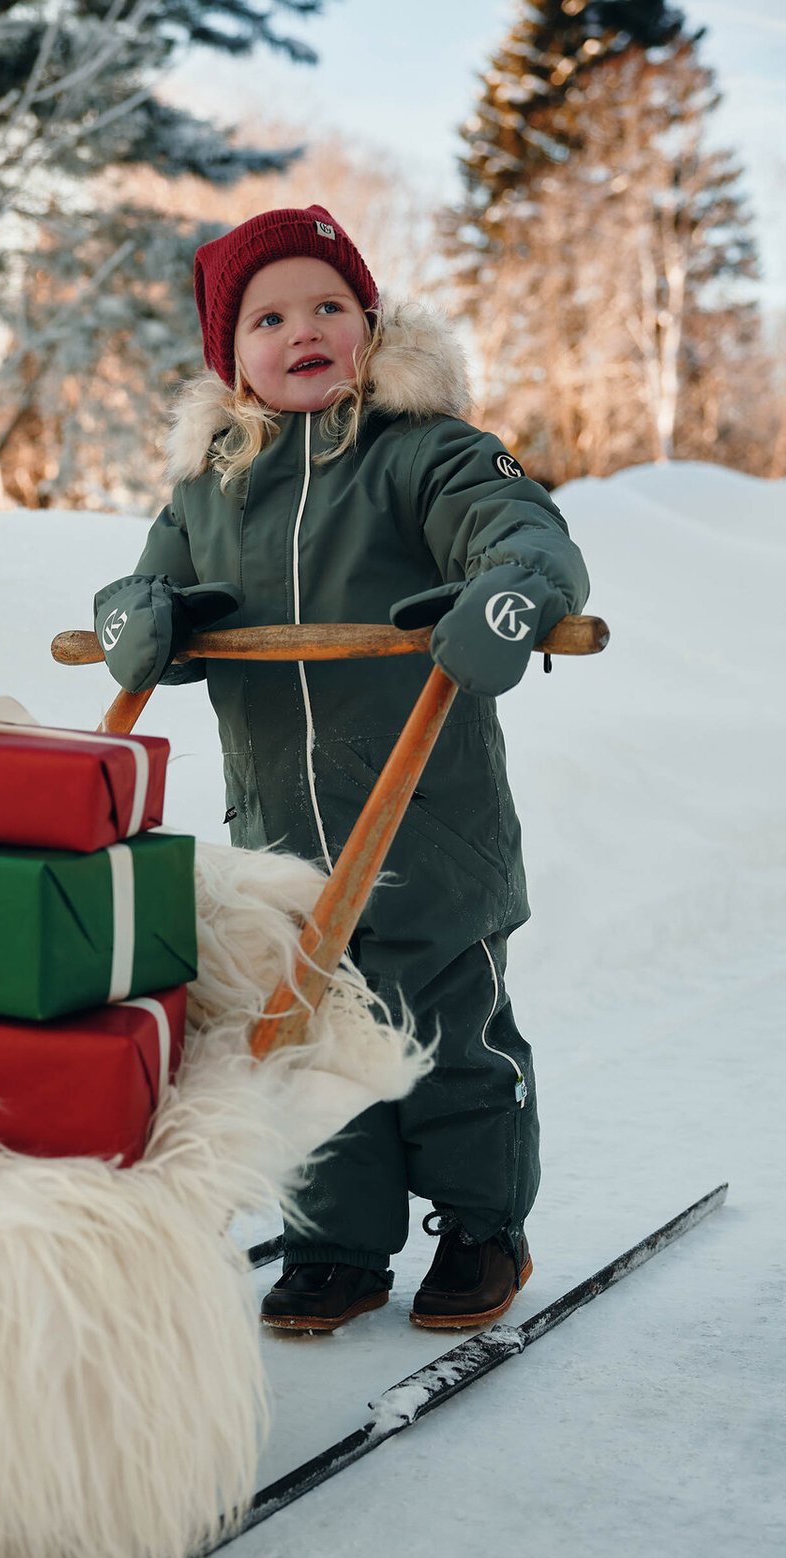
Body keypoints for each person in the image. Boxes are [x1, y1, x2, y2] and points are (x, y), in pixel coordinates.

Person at [93, 204, 590, 1334]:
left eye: (329, 306)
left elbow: (523, 527)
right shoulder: (210, 487)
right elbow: (149, 581)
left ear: (371, 323)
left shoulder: (428, 452)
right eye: (269, 319)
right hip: (280, 836)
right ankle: (335, 1247)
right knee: (304, 1029)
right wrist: (137, 614)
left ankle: (483, 1227)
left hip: (433, 826)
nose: (304, 331)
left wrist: (512, 592)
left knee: (448, 1035)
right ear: (231, 356)